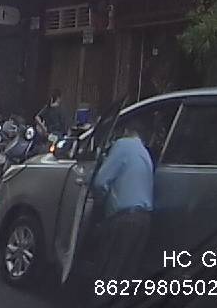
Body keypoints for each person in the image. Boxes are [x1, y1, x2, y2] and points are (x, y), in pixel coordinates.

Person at [88, 122, 154, 301]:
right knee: (125, 278)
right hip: (144, 220)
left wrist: (101, 200)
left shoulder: (123, 145)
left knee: (108, 273)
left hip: (123, 219)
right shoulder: (144, 152)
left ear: (125, 131)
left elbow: (100, 181)